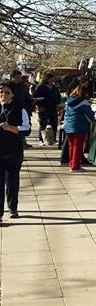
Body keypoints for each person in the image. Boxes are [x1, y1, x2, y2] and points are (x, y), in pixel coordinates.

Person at [0, 81, 30, 221]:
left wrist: (11, 128)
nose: (3, 95)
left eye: (7, 92)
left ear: (12, 95)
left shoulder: (19, 109)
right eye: (1, 92)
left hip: (13, 151)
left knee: (12, 181)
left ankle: (13, 208)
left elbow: (27, 129)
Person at [63, 83, 94, 172]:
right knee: (78, 146)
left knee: (71, 145)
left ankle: (71, 163)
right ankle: (75, 165)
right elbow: (89, 114)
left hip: (68, 125)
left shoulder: (68, 101)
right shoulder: (84, 102)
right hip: (79, 126)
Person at [33, 73, 61, 146]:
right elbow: (34, 97)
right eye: (51, 78)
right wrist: (39, 106)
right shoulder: (40, 87)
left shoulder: (54, 87)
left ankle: (53, 138)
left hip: (53, 108)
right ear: (47, 79)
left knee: (54, 124)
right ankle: (41, 139)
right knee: (43, 124)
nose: (52, 80)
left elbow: (58, 97)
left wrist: (58, 104)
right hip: (44, 108)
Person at [9, 70, 34, 147]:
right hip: (10, 110)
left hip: (21, 110)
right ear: (12, 78)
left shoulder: (23, 87)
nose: (19, 79)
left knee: (23, 127)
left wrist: (29, 108)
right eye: (17, 77)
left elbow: (28, 99)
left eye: (20, 78)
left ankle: (22, 141)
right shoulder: (7, 87)